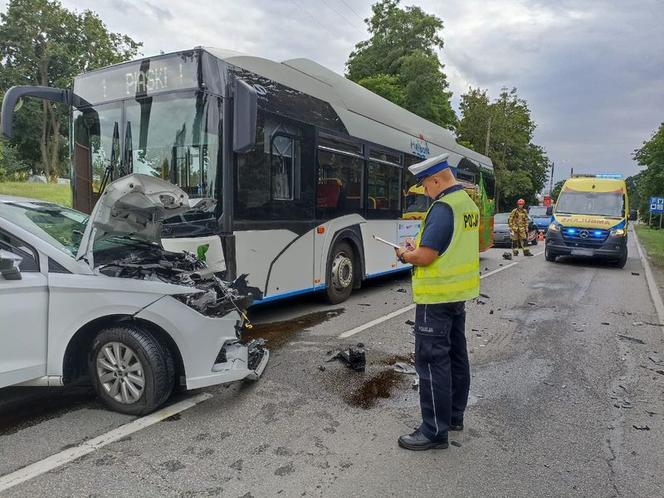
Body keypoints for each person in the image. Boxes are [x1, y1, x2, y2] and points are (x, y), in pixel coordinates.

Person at [394, 153, 480, 451]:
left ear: (435, 179)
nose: (425, 192)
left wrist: (405, 254)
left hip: (436, 298)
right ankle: (454, 415)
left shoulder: (443, 207)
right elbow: (453, 246)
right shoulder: (467, 204)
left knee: (432, 362)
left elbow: (427, 256)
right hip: (457, 295)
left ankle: (433, 431)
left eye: (424, 186)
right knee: (457, 356)